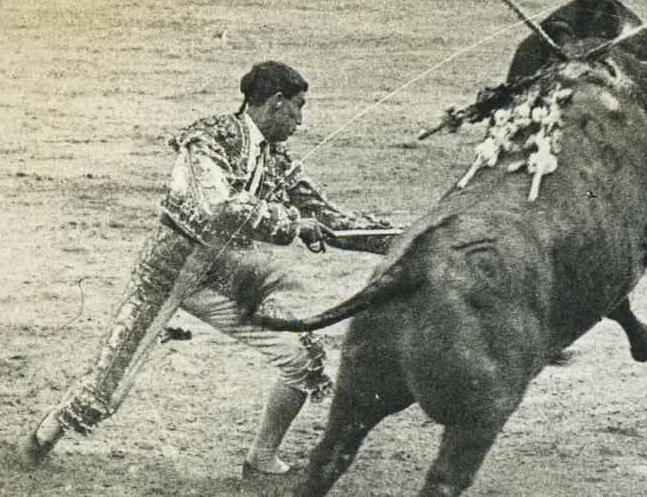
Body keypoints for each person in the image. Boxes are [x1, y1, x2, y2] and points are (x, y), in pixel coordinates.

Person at [22, 61, 398, 476]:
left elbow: (326, 215)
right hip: (166, 273)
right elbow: (220, 209)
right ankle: (37, 442)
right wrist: (292, 224)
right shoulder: (209, 137)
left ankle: (261, 460)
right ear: (275, 103)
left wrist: (399, 241)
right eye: (298, 107)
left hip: (220, 276)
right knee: (108, 387)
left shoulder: (275, 157)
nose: (300, 120)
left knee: (299, 355)